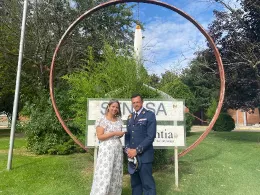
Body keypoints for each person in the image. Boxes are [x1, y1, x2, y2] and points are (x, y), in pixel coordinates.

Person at [90, 99, 125, 195]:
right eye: (113, 106)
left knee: (115, 173)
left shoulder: (119, 120)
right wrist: (114, 133)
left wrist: (120, 134)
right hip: (106, 151)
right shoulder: (102, 119)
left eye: (117, 107)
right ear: (108, 107)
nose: (115, 109)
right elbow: (100, 136)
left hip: (117, 149)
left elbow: (119, 134)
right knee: (104, 174)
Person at [125, 94, 157, 195]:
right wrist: (128, 150)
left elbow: (150, 137)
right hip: (132, 157)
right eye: (133, 103)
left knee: (148, 184)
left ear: (142, 102)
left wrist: (136, 150)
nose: (135, 104)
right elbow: (128, 136)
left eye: (137, 102)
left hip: (144, 156)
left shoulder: (149, 115)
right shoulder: (130, 117)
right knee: (135, 184)